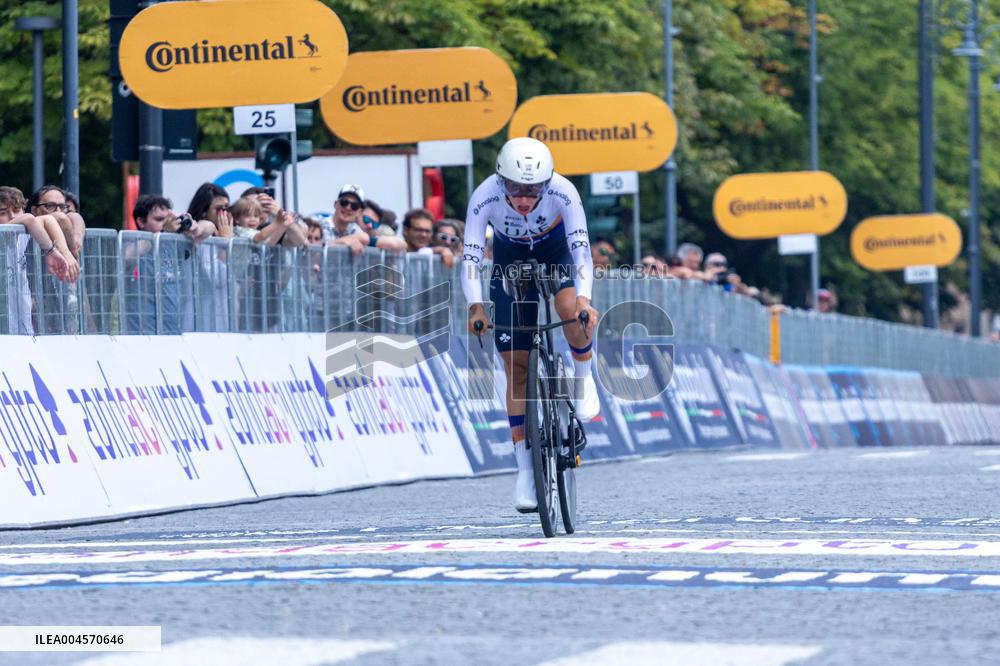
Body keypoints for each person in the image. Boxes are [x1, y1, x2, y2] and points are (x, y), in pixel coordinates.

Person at [462, 137, 599, 512]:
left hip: (555, 252)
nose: (523, 198)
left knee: (571, 308)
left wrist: (585, 299)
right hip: (509, 259)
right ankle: (525, 471)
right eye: (515, 189)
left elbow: (581, 251)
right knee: (516, 368)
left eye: (533, 190)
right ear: (500, 180)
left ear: (547, 183)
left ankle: (584, 376)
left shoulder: (565, 193)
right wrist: (476, 305)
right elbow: (472, 255)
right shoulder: (485, 195)